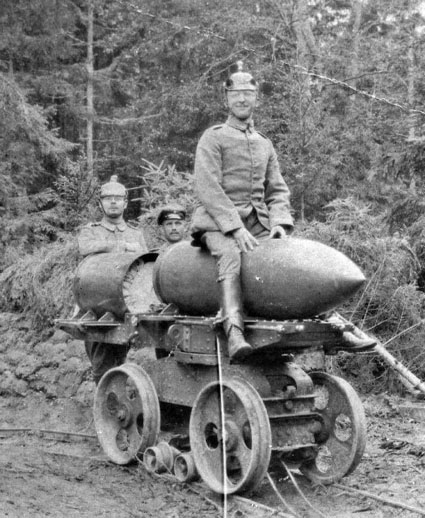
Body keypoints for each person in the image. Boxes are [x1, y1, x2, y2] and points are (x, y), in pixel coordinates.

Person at [190, 62, 294, 360]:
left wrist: (279, 223)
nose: (242, 99)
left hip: (258, 223)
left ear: (256, 99)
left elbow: (277, 190)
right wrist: (234, 227)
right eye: (236, 94)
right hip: (216, 223)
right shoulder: (213, 137)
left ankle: (315, 323)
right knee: (231, 254)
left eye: (248, 94)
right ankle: (233, 331)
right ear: (227, 99)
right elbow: (208, 187)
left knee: (288, 256)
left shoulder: (264, 144)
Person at [77, 175, 148, 384]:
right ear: (100, 204)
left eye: (118, 198)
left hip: (127, 306)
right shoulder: (91, 231)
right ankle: (104, 400)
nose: (113, 202)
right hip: (97, 307)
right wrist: (118, 246)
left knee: (121, 361)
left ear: (125, 203)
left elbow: (144, 267)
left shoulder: (136, 234)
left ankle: (115, 399)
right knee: (101, 363)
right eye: (108, 198)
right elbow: (84, 249)